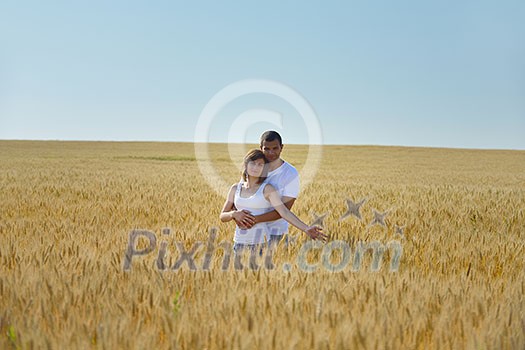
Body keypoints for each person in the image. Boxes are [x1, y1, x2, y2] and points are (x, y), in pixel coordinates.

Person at [220, 149, 325, 254]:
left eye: (260, 165)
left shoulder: (268, 189)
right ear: (246, 165)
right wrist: (234, 214)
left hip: (261, 244)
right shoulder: (235, 188)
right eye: (253, 163)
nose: (256, 167)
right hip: (238, 243)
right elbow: (222, 216)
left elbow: (284, 212)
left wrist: (306, 229)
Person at [231, 131, 322, 246]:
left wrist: (252, 220)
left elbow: (284, 210)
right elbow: (240, 196)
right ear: (261, 148)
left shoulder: (290, 173)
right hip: (248, 234)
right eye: (267, 149)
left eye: (275, 148)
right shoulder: (254, 169)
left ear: (281, 148)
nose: (271, 153)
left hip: (276, 233)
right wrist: (237, 217)